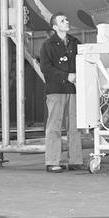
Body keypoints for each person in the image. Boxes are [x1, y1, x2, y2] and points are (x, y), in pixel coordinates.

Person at [39, 13, 84, 173]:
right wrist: (66, 76)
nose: (67, 22)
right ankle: (52, 161)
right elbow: (45, 68)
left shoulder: (75, 43)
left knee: (75, 126)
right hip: (56, 90)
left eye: (66, 19)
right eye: (62, 21)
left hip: (73, 90)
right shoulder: (48, 45)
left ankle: (75, 161)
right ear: (55, 27)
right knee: (54, 126)